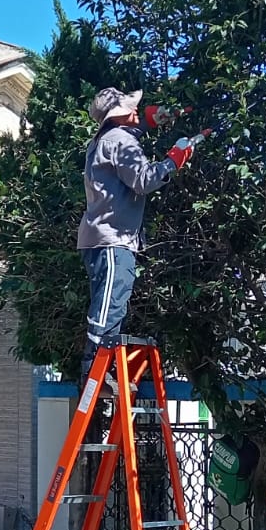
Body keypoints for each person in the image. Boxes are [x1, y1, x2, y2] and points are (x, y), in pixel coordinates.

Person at [76, 87, 194, 368]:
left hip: (100, 237)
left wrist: (152, 120)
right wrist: (173, 161)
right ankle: (95, 370)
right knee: (109, 307)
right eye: (132, 108)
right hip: (113, 239)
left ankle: (100, 369)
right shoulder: (119, 140)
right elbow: (143, 180)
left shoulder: (104, 138)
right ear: (119, 114)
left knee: (111, 304)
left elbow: (128, 137)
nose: (137, 111)